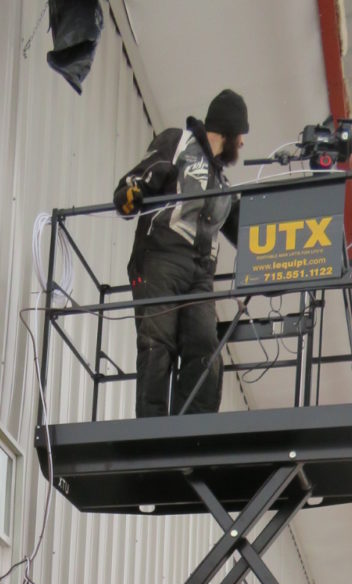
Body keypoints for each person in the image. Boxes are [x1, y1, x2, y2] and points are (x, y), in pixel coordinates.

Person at [115, 89, 248, 417]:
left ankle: (193, 429)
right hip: (160, 257)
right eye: (241, 134)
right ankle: (152, 429)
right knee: (157, 343)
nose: (243, 144)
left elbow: (246, 230)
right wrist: (129, 194)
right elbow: (140, 177)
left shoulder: (222, 184)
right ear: (228, 130)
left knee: (205, 345)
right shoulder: (178, 143)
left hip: (200, 273)